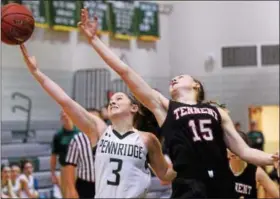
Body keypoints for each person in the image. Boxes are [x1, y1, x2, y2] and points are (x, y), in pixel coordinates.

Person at [77, 11, 279, 198]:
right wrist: (94, 40)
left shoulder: (216, 111)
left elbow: (244, 151)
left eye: (180, 76)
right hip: (189, 183)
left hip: (220, 181)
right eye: (173, 78)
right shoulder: (165, 107)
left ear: (195, 85)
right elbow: (125, 72)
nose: (174, 79)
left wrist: (273, 158)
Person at [19, 45, 176, 198]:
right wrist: (36, 72)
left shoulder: (147, 139)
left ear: (134, 108)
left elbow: (165, 175)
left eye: (119, 98)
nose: (113, 102)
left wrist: (189, 160)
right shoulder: (99, 130)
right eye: (111, 100)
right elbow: (65, 101)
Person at [228, 131, 279, 198]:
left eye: (237, 147)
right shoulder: (220, 169)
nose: (233, 151)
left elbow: (277, 194)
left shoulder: (256, 172)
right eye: (231, 147)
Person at [64, 109, 99, 199]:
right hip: (84, 185)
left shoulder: (108, 138)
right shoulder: (77, 139)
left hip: (103, 184)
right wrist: (72, 189)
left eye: (96, 119)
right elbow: (70, 166)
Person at [50, 111, 80, 197]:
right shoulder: (58, 135)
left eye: (67, 115)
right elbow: (53, 155)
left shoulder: (79, 132)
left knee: (78, 194)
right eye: (63, 116)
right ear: (61, 119)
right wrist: (52, 173)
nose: (65, 117)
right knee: (66, 195)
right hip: (65, 169)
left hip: (78, 168)